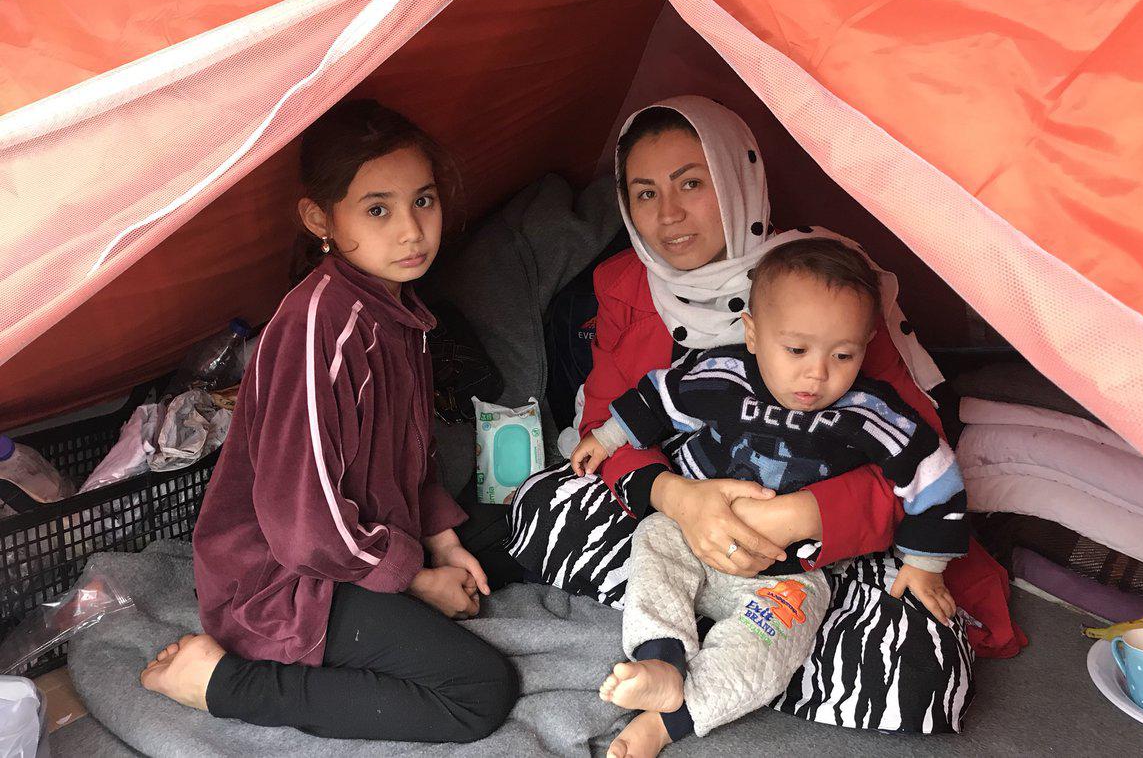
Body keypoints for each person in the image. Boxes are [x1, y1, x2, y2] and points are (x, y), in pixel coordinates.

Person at [508, 96, 999, 736]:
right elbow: (612, 419)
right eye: (646, 193)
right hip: (677, 513)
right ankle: (716, 650)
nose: (668, 214)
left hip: (815, 550)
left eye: (691, 183)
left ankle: (717, 652)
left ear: (738, 180)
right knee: (544, 503)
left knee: (920, 669)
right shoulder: (625, 284)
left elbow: (916, 457)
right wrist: (681, 499)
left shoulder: (825, 287)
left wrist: (800, 515)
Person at [139, 99, 517, 742]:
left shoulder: (396, 311)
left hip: (368, 540)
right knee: (480, 693)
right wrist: (417, 582)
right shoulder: (320, 325)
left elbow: (410, 457)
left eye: (423, 201)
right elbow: (302, 526)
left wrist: (445, 542)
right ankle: (221, 682)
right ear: (320, 219)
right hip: (287, 580)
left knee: (524, 526)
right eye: (378, 210)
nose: (412, 231)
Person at [573, 238, 968, 755]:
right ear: (753, 333)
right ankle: (661, 659)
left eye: (843, 355)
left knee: (771, 650)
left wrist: (925, 565)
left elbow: (934, 471)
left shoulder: (869, 410)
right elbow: (659, 396)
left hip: (789, 574)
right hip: (691, 538)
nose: (817, 374)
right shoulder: (725, 375)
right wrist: (606, 438)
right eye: (797, 350)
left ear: (866, 345)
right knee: (653, 539)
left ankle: (668, 721)